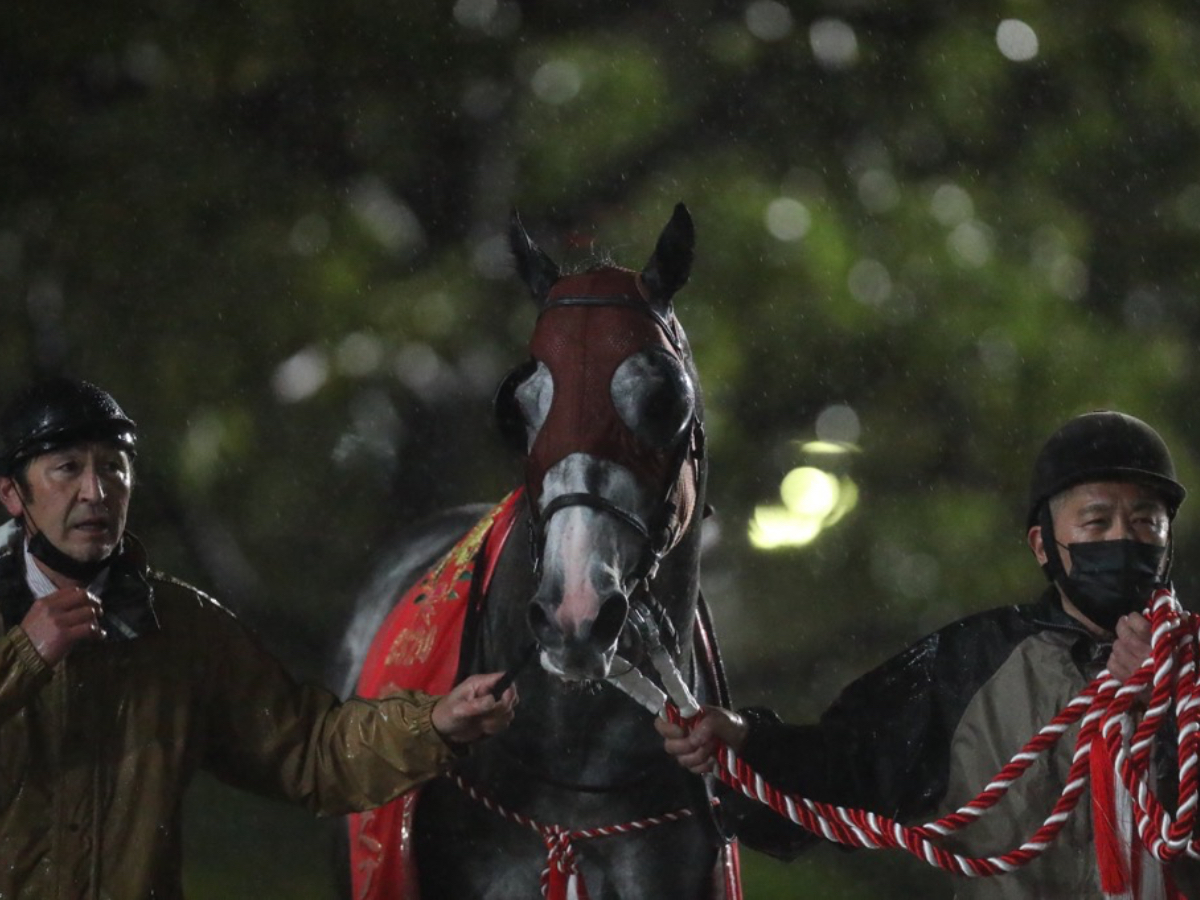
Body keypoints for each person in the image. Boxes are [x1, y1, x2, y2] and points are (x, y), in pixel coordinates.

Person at [0, 377, 518, 899]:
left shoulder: (180, 628)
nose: (95, 491)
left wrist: (437, 723)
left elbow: (310, 752)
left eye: (113, 467)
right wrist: (23, 655)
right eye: (67, 468)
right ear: (12, 494)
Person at [659, 410, 1195, 898]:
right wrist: (746, 742)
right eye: (1097, 522)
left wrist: (1167, 704)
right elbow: (848, 769)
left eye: (1146, 521)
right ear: (1042, 545)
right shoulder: (970, 664)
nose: (1124, 538)